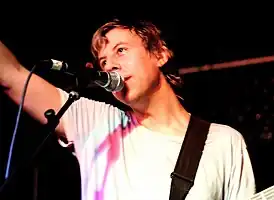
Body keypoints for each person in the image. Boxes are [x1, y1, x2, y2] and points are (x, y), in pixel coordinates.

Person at [0, 19, 256, 200]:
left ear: (160, 54)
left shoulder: (224, 142)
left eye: (120, 51)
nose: (110, 66)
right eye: (103, 62)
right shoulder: (94, 122)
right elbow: (11, 75)